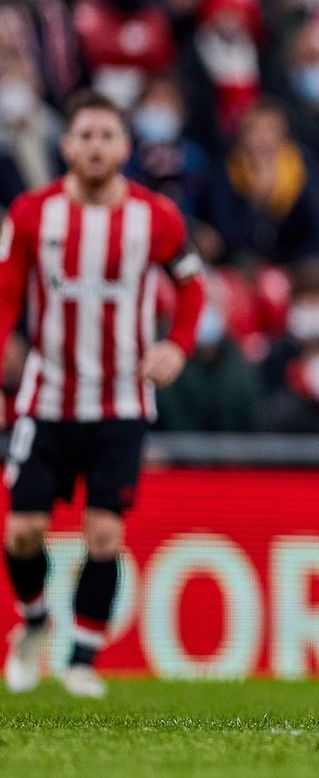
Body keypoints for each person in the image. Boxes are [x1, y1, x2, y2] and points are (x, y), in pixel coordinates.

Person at [0, 91, 204, 699]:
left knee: (104, 535)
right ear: (67, 146)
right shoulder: (34, 213)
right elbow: (7, 297)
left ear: (124, 147)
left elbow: (192, 289)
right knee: (23, 533)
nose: (94, 146)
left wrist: (178, 347)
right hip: (47, 397)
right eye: (84, 135)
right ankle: (34, 626)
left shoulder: (157, 217)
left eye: (106, 136)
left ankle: (83, 659)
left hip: (121, 402)